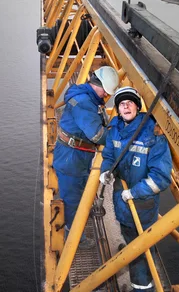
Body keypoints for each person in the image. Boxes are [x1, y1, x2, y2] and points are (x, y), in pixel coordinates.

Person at [99, 86, 172, 291]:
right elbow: (109, 156)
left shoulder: (153, 133)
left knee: (140, 250)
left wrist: (133, 193)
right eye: (122, 103)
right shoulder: (114, 129)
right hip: (122, 202)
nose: (126, 105)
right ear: (118, 109)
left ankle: (142, 287)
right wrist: (106, 171)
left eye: (130, 102)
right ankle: (130, 249)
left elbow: (161, 178)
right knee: (130, 236)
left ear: (138, 107)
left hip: (141, 206)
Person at [53, 66, 119, 246]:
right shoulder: (83, 103)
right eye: (105, 93)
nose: (106, 97)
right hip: (72, 157)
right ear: (97, 85)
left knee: (76, 188)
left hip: (76, 154)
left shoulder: (86, 95)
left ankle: (70, 204)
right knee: (73, 197)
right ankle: (74, 237)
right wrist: (119, 137)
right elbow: (96, 135)